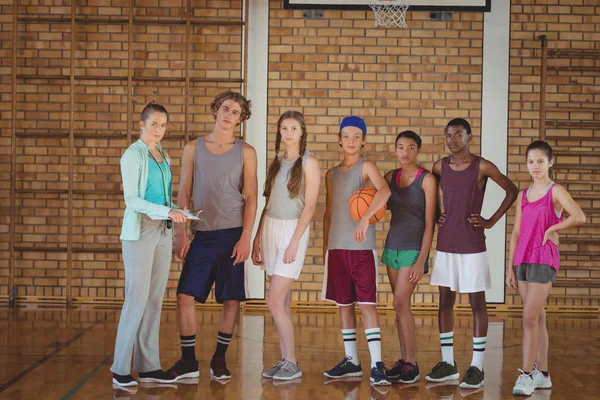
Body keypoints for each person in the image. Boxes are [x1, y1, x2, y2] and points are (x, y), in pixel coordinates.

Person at [166, 91, 258, 381]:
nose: (230, 115)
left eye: (236, 112)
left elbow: (253, 197)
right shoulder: (193, 147)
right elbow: (183, 192)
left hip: (233, 234)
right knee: (184, 296)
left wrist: (247, 237)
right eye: (226, 109)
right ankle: (189, 361)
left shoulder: (246, 151)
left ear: (241, 119)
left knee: (231, 299)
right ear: (216, 111)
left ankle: (219, 358)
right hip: (202, 233)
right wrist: (180, 233)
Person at [425, 118, 519, 389]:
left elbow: (512, 191)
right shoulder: (438, 166)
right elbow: (430, 194)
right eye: (448, 135)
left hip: (472, 244)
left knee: (477, 303)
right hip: (446, 243)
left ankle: (477, 367)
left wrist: (490, 221)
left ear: (469, 136)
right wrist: (436, 214)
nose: (452, 140)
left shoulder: (483, 166)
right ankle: (448, 364)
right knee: (445, 301)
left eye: (457, 135)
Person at [111, 102, 188, 387]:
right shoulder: (133, 154)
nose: (159, 130)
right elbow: (132, 200)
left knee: (155, 299)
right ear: (141, 124)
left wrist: (177, 210)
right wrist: (166, 211)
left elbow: (161, 197)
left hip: (163, 231)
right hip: (141, 230)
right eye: (153, 124)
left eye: (163, 125)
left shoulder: (162, 155)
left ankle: (148, 366)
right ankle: (120, 369)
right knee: (137, 298)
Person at [508, 141, 585, 396]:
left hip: (544, 258)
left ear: (550, 162)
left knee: (529, 318)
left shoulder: (556, 191)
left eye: (541, 161)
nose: (536, 166)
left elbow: (579, 216)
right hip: (523, 260)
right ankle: (544, 374)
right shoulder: (522, 195)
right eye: (531, 161)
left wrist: (554, 228)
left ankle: (527, 375)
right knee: (538, 318)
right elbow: (517, 231)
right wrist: (510, 266)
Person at [321, 116, 392, 386]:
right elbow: (328, 213)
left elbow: (384, 191)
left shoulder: (367, 166)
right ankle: (351, 360)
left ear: (363, 140)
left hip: (361, 248)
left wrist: (365, 218)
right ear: (339, 139)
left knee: (367, 305)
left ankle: (377, 364)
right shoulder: (331, 174)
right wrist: (326, 246)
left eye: (356, 136)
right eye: (346, 136)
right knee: (344, 305)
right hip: (337, 248)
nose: (351, 141)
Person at [252, 111, 320, 381]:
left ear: (302, 131)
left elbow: (311, 205)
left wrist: (294, 243)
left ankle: (292, 362)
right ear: (279, 131)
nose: (288, 133)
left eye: (293, 128)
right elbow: (267, 202)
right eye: (284, 128)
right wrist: (257, 238)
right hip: (270, 227)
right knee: (284, 302)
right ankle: (285, 360)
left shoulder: (309, 162)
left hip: (293, 231)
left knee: (274, 301)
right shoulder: (277, 161)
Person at [382, 131, 437, 384]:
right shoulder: (389, 178)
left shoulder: (426, 180)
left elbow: (430, 224)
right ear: (395, 149)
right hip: (391, 246)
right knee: (399, 305)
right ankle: (404, 361)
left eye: (411, 147)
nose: (405, 152)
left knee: (400, 303)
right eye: (401, 147)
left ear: (418, 150)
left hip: (413, 249)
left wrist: (421, 260)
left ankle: (412, 363)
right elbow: (378, 207)